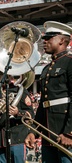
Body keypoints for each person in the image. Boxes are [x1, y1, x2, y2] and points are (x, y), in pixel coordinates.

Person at [25, 21, 72, 163]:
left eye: (49, 38)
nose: (44, 42)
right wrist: (34, 131)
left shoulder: (69, 62)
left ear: (62, 40)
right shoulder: (46, 69)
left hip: (65, 134)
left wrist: (70, 133)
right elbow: (43, 104)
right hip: (48, 136)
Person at [0, 69, 35, 163]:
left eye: (0, 74)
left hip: (17, 138)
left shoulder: (20, 91)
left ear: (9, 75)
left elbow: (30, 115)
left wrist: (18, 113)